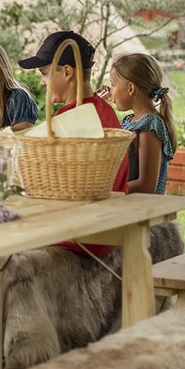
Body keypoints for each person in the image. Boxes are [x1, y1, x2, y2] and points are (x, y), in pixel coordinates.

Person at [19, 30, 128, 255]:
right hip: (109, 228)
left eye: (44, 73)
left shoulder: (72, 120)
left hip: (78, 233)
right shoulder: (104, 110)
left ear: (67, 72)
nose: (42, 82)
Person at [109, 52, 177, 195]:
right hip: (126, 205)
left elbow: (146, 186)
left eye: (113, 85)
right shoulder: (129, 121)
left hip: (143, 210)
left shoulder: (149, 126)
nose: (111, 92)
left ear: (130, 88)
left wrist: (109, 190)